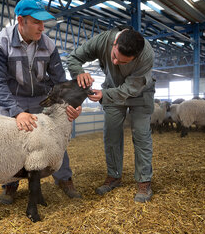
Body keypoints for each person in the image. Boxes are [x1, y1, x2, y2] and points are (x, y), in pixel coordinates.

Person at [0, 0, 82, 204]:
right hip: (13, 100)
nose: (42, 27)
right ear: (21, 21)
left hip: (42, 100)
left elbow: (59, 81)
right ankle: (10, 184)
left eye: (43, 22)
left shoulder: (48, 45)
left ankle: (64, 179)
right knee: (11, 144)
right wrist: (16, 111)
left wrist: (73, 105)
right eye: (37, 22)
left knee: (55, 139)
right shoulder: (0, 44)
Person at [67, 26, 156, 202]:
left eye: (124, 62)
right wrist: (80, 73)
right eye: (114, 56)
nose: (115, 63)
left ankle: (144, 182)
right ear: (114, 42)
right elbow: (74, 58)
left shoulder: (147, 55)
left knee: (141, 135)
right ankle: (114, 176)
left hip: (140, 93)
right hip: (112, 89)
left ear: (136, 57)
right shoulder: (103, 40)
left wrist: (105, 95)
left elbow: (131, 87)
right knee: (111, 135)